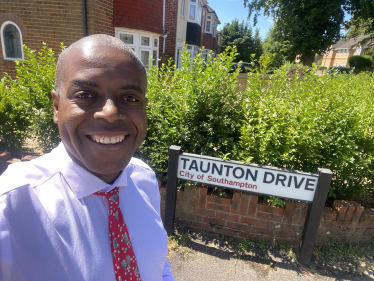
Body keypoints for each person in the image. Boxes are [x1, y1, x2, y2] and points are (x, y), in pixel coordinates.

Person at [0, 34, 174, 281]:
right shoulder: (10, 205)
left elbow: (158, 266)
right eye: (85, 94)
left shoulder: (144, 180)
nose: (111, 112)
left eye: (129, 98)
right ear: (57, 106)